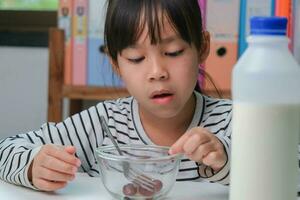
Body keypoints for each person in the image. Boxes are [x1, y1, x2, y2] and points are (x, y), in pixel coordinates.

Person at [0, 0, 232, 191]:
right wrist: (34, 165)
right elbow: (5, 150)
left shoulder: (231, 122)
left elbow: (267, 173)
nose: (157, 72)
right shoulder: (104, 122)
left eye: (173, 52)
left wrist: (225, 159)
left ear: (202, 47)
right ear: (116, 64)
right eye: (136, 58)